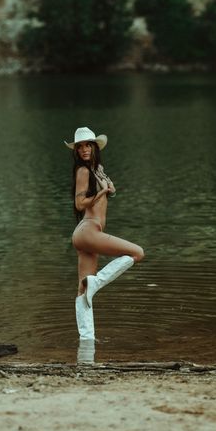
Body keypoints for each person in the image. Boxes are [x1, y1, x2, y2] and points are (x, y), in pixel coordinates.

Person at [65, 126, 145, 340]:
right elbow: (79, 203)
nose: (84, 150)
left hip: (85, 234)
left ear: (94, 147)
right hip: (88, 230)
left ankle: (86, 340)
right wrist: (101, 192)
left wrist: (108, 186)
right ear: (76, 151)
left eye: (87, 145)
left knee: (83, 294)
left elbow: (111, 189)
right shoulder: (83, 171)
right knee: (137, 253)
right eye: (80, 147)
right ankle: (97, 282)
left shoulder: (97, 169)